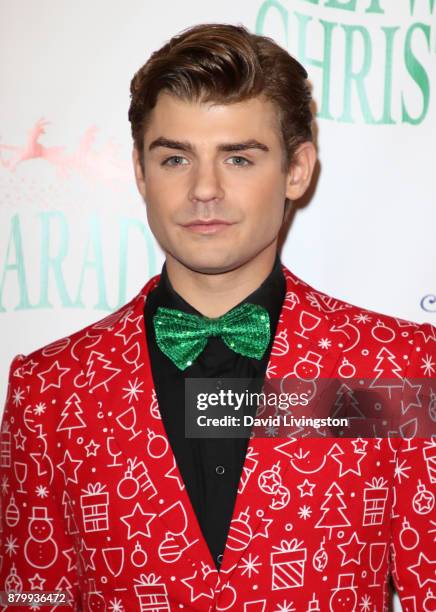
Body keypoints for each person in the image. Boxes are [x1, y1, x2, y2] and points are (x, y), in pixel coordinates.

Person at [1, 23, 434, 612]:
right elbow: (32, 597)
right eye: (176, 157)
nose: (205, 189)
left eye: (238, 157)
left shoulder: (399, 366)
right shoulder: (48, 390)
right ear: (139, 171)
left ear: (297, 169)